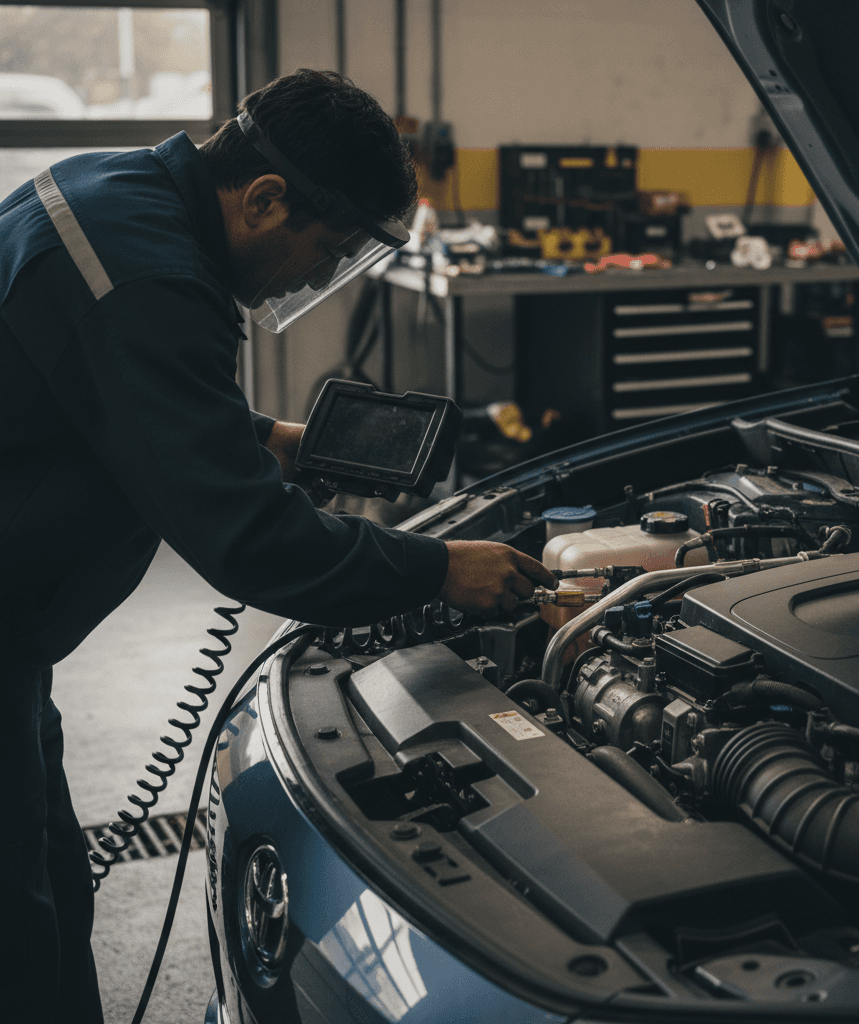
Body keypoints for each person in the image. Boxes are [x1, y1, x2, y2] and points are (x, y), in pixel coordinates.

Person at [0, 68, 556, 1021]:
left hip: (16, 633)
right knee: (13, 924)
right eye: (323, 253)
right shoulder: (149, 278)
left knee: (49, 875)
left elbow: (97, 386)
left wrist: (266, 439)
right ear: (264, 199)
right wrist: (439, 570)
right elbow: (253, 542)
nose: (310, 280)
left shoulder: (110, 189)